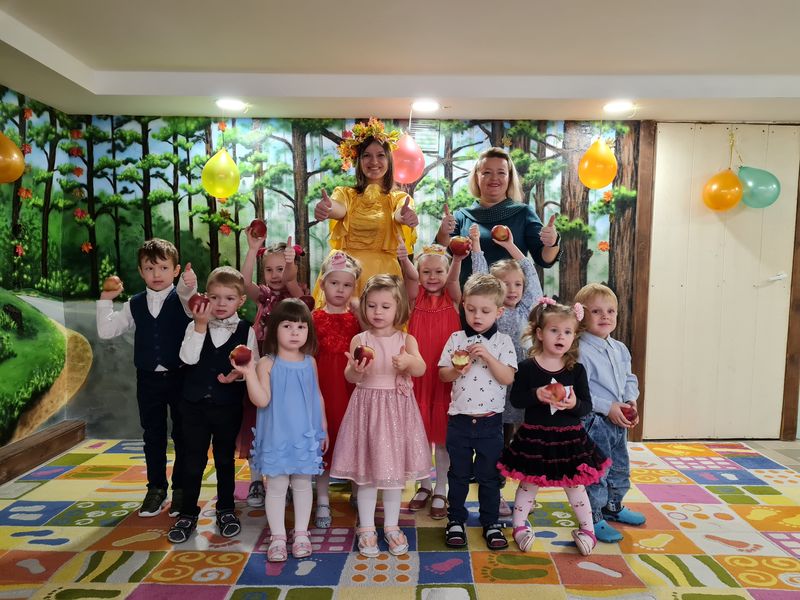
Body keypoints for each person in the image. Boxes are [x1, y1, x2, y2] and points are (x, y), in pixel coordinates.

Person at [497, 298, 610, 557]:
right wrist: (536, 394)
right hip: (534, 437)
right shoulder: (527, 368)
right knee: (528, 484)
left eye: (568, 332)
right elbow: (516, 401)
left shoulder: (576, 370)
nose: (561, 336)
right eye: (554, 330)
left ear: (574, 337)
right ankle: (519, 526)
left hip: (570, 440)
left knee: (575, 485)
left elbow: (586, 407)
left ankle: (587, 529)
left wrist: (573, 403)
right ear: (539, 333)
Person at [330, 274, 431, 558]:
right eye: (372, 306)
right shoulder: (360, 339)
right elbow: (350, 376)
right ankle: (365, 527)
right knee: (367, 474)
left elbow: (421, 368)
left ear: (398, 308)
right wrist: (356, 370)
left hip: (396, 413)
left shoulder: (406, 339)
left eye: (385, 306)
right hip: (367, 411)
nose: (378, 312)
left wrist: (409, 362)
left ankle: (391, 525)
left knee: (393, 474)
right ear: (364, 307)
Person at [96, 238, 193, 518]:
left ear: (175, 270)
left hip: (181, 377)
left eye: (163, 267)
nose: (157, 274)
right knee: (153, 435)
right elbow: (106, 331)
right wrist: (106, 300)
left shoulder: (184, 299)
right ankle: (156, 488)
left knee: (183, 434)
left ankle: (182, 489)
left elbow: (192, 302)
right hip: (148, 379)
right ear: (140, 271)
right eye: (150, 268)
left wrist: (189, 286)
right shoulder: (134, 304)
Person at [167, 266, 258, 544]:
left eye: (229, 298)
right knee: (192, 460)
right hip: (193, 406)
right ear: (206, 297)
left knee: (224, 460)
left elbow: (252, 367)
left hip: (227, 406)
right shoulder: (194, 325)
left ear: (241, 300)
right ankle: (187, 512)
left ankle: (226, 509)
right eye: (215, 297)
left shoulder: (246, 330)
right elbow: (188, 358)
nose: (221, 304)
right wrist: (200, 326)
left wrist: (237, 376)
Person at [239, 299, 328, 562]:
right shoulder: (267, 364)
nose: (294, 332)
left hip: (304, 436)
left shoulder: (310, 362)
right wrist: (249, 373)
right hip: (277, 437)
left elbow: (317, 395)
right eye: (287, 326)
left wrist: (323, 428)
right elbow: (261, 400)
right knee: (277, 486)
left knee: (302, 484)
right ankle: (278, 536)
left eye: (301, 327)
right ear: (274, 329)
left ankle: (301, 533)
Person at [438, 274, 518, 550]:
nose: (477, 316)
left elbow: (507, 377)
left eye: (485, 311)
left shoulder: (503, 342)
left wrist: (487, 356)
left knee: (489, 477)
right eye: (471, 309)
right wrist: (457, 368)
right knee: (458, 474)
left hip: (490, 423)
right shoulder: (456, 338)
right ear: (464, 307)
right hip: (459, 420)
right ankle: (455, 520)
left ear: (499, 312)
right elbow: (443, 375)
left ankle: (490, 522)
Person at [469, 223, 543, 516]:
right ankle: (495, 491)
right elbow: (479, 277)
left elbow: (531, 272)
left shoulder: (527, 309)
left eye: (517, 285)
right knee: (495, 443)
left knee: (524, 443)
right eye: (505, 285)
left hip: (523, 387)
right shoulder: (493, 312)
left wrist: (511, 245)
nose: (512, 290)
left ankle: (525, 493)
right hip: (496, 385)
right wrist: (476, 244)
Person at [311, 117, 418, 307]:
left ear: (389, 160)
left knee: (380, 322)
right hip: (345, 273)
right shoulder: (346, 193)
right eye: (367, 155)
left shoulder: (398, 198)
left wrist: (405, 215)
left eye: (380, 155)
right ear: (358, 161)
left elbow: (399, 213)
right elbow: (338, 208)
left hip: (382, 277)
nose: (374, 161)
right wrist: (328, 208)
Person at [237, 226, 304, 509]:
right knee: (257, 421)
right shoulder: (264, 296)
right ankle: (256, 479)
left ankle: (284, 478)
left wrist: (290, 267)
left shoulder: (297, 294)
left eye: (281, 268)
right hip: (262, 361)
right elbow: (243, 283)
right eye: (269, 270)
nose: (276, 275)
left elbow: (292, 284)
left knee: (285, 423)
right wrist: (253, 249)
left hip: (287, 367)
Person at [575, 283, 645, 543]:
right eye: (596, 311)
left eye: (610, 311)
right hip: (594, 421)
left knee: (619, 466)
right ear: (582, 315)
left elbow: (629, 378)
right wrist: (608, 407)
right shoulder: (579, 350)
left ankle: (613, 506)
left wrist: (630, 401)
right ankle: (593, 517)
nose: (605, 316)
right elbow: (579, 392)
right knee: (596, 472)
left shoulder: (619, 348)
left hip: (618, 421)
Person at [398, 243, 464, 520]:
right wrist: (405, 260)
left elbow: (454, 280)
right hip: (420, 375)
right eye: (427, 272)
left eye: (439, 271)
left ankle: (440, 488)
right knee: (420, 434)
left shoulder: (453, 297)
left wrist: (457, 259)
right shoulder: (414, 298)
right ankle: (424, 485)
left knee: (443, 438)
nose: (433, 277)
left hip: (445, 375)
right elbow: (411, 279)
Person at [435, 147, 560, 286]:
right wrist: (443, 232)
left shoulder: (523, 213)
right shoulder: (461, 216)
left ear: (509, 177)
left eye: (501, 172)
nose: (494, 178)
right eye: (487, 172)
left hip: (512, 298)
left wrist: (552, 242)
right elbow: (440, 257)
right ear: (477, 176)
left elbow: (545, 260)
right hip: (470, 298)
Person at [311, 251, 363, 529]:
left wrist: (361, 312)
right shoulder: (313, 317)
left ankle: (358, 492)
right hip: (323, 389)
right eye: (334, 283)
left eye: (347, 285)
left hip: (351, 389)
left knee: (354, 438)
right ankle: (322, 498)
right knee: (324, 440)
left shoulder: (356, 319)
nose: (340, 290)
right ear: (322, 284)